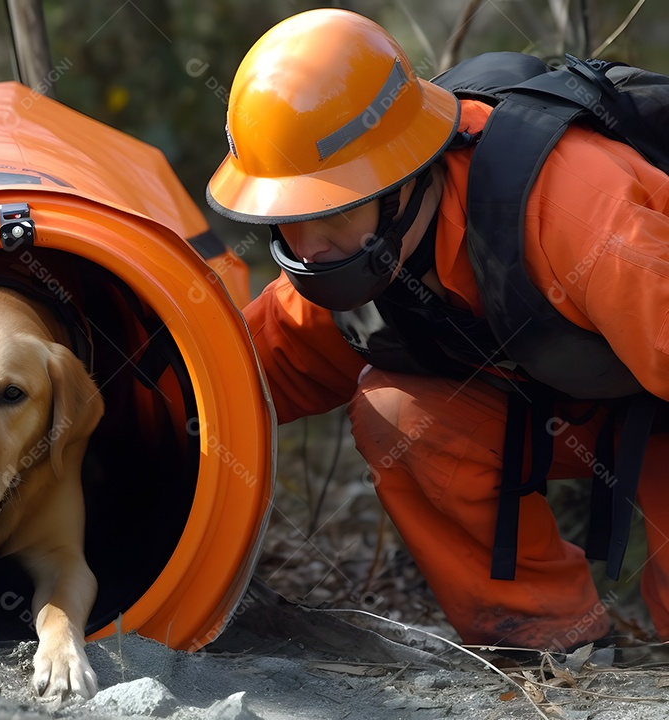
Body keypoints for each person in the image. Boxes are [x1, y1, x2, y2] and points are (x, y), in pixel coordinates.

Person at [206, 7, 669, 650]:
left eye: (330, 208)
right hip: (579, 407)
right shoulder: (350, 258)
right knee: (395, 410)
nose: (305, 245)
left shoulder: (574, 210)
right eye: (286, 215)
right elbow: (244, 372)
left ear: (397, 176)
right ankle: (548, 645)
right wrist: (105, 419)